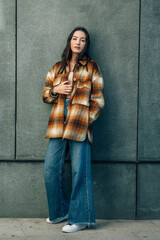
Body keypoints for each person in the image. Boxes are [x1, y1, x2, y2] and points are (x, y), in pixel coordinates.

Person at [42, 26, 105, 233]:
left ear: (86, 44)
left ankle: (80, 218)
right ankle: (60, 211)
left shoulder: (92, 67)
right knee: (51, 169)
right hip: (58, 122)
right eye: (75, 38)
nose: (78, 42)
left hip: (79, 123)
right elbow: (46, 95)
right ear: (70, 41)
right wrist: (55, 89)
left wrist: (87, 119)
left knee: (80, 172)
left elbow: (98, 99)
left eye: (83, 40)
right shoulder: (57, 67)